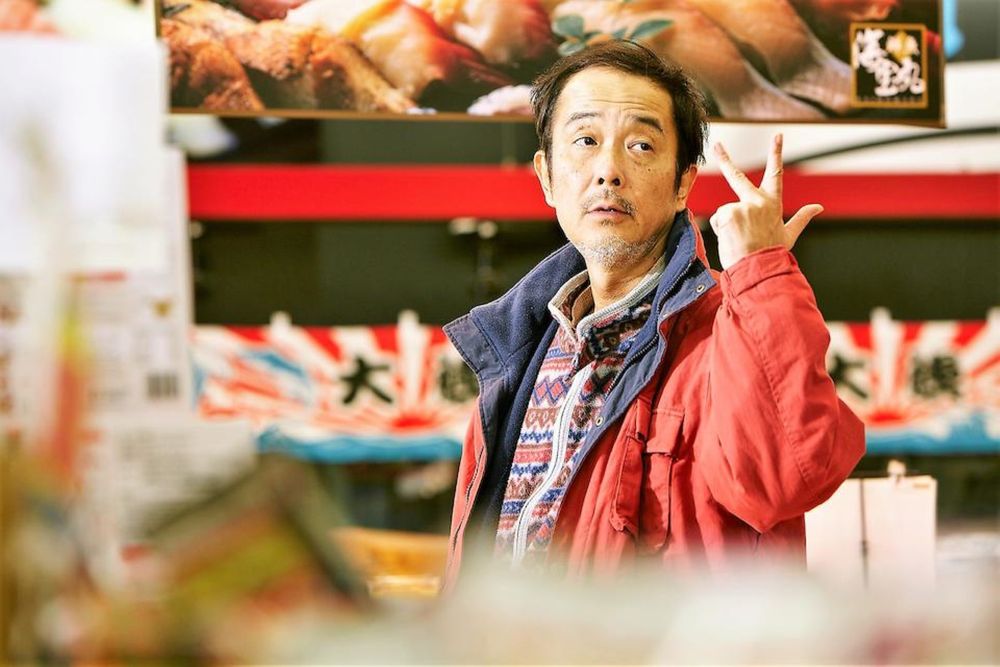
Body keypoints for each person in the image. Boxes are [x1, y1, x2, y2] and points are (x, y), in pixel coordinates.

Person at [442, 40, 865, 588]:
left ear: (683, 181)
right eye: (585, 141)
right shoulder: (516, 349)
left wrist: (761, 268)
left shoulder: (732, 329)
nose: (608, 171)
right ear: (546, 176)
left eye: (641, 145)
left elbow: (784, 478)